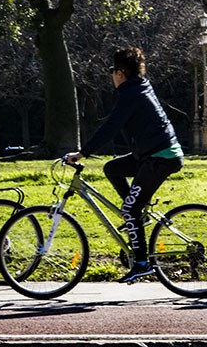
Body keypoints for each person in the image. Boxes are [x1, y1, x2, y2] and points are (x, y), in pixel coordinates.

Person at [65, 47, 184, 283]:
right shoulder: (139, 87)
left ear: (120, 72)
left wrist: (83, 152)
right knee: (112, 168)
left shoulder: (132, 95)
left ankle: (141, 263)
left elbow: (110, 127)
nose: (111, 76)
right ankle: (136, 214)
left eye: (112, 71)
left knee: (130, 209)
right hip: (150, 154)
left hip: (160, 157)